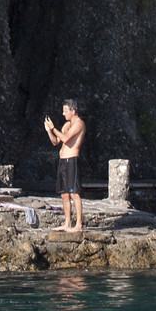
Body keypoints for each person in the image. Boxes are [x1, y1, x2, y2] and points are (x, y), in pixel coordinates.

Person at [44, 99, 86, 231]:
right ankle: (67, 223)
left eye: (66, 111)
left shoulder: (79, 124)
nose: (63, 114)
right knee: (64, 194)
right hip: (63, 161)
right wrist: (49, 131)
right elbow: (56, 141)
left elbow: (66, 139)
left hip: (72, 160)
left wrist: (53, 128)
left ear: (73, 111)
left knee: (74, 193)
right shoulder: (66, 125)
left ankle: (78, 224)